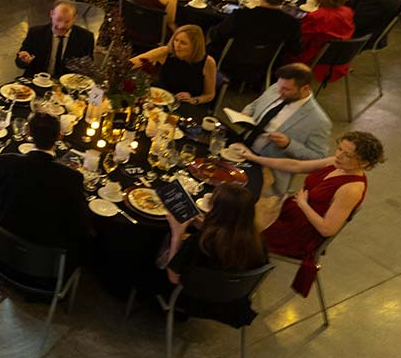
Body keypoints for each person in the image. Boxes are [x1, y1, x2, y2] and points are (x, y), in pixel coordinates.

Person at [238, 132, 383, 293]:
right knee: (238, 208)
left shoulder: (351, 189)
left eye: (347, 154)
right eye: (339, 148)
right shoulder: (336, 163)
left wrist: (303, 204)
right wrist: (255, 158)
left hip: (299, 232)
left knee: (237, 230)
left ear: (364, 163)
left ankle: (235, 274)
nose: (338, 155)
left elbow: (327, 229)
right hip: (290, 212)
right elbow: (296, 166)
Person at [155, 183, 269, 323]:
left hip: (193, 300)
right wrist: (205, 226)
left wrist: (177, 235)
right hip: (232, 302)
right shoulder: (257, 242)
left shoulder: (201, 242)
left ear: (216, 210)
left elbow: (173, 277)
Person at [0, 113, 90, 251]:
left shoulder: (3, 163)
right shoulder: (72, 178)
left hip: (2, 247)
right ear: (59, 137)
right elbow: (80, 227)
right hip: (45, 260)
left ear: (29, 133)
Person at [229, 63, 333, 193]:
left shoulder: (318, 121)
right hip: (241, 148)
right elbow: (255, 105)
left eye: (286, 89)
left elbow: (318, 159)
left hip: (265, 169)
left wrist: (288, 144)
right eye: (279, 86)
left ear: (305, 88)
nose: (279, 92)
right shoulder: (278, 88)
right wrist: (245, 114)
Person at [209, 0, 302, 73]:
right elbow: (295, 49)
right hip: (264, 68)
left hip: (228, 64)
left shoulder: (240, 16)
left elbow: (216, 35)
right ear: (284, 0)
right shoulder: (291, 24)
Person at [132, 24, 218, 107]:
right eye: (176, 40)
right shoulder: (165, 52)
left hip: (186, 105)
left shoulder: (208, 62)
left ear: (195, 46)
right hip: (159, 101)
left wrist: (194, 100)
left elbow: (209, 95)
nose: (177, 45)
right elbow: (133, 63)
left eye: (183, 43)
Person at [296, 0, 356, 80]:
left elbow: (301, 40)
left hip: (314, 59)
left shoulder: (317, 16)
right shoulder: (348, 12)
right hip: (337, 59)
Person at [15, 0, 96, 75]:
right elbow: (20, 63)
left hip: (68, 84)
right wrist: (24, 60)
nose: (61, 26)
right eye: (58, 20)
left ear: (74, 18)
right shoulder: (36, 33)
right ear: (51, 14)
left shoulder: (86, 37)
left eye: (67, 21)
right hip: (37, 80)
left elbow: (87, 67)